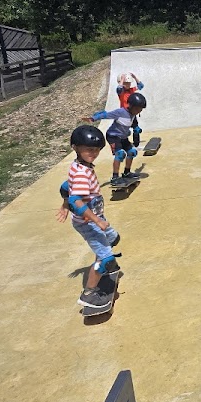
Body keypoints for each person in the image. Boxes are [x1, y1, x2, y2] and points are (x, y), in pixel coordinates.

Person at [58, 125, 122, 309]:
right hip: (88, 224)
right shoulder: (81, 173)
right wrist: (97, 220)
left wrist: (64, 204)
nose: (93, 153)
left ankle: (102, 254)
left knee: (114, 238)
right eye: (88, 150)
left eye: (96, 150)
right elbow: (77, 201)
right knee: (106, 260)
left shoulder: (80, 166)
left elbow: (65, 187)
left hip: (95, 220)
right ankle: (89, 294)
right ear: (75, 147)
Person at [83, 92, 147, 186]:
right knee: (120, 154)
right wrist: (93, 118)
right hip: (113, 136)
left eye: (140, 110)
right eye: (137, 109)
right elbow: (106, 115)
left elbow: (133, 123)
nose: (138, 111)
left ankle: (127, 172)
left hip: (123, 137)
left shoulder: (133, 115)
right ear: (130, 105)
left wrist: (136, 128)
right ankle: (115, 177)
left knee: (132, 152)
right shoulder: (120, 112)